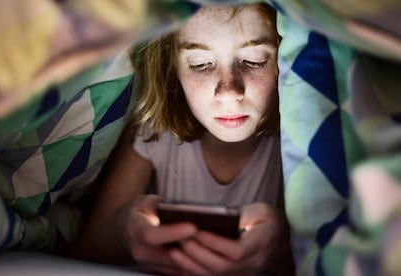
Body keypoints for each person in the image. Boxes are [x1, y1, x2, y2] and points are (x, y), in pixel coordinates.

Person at [72, 3, 295, 275]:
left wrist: (284, 245)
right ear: (173, 70)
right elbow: (86, 252)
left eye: (254, 61)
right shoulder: (153, 133)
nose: (228, 92)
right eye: (201, 65)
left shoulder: (293, 146)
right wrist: (122, 230)